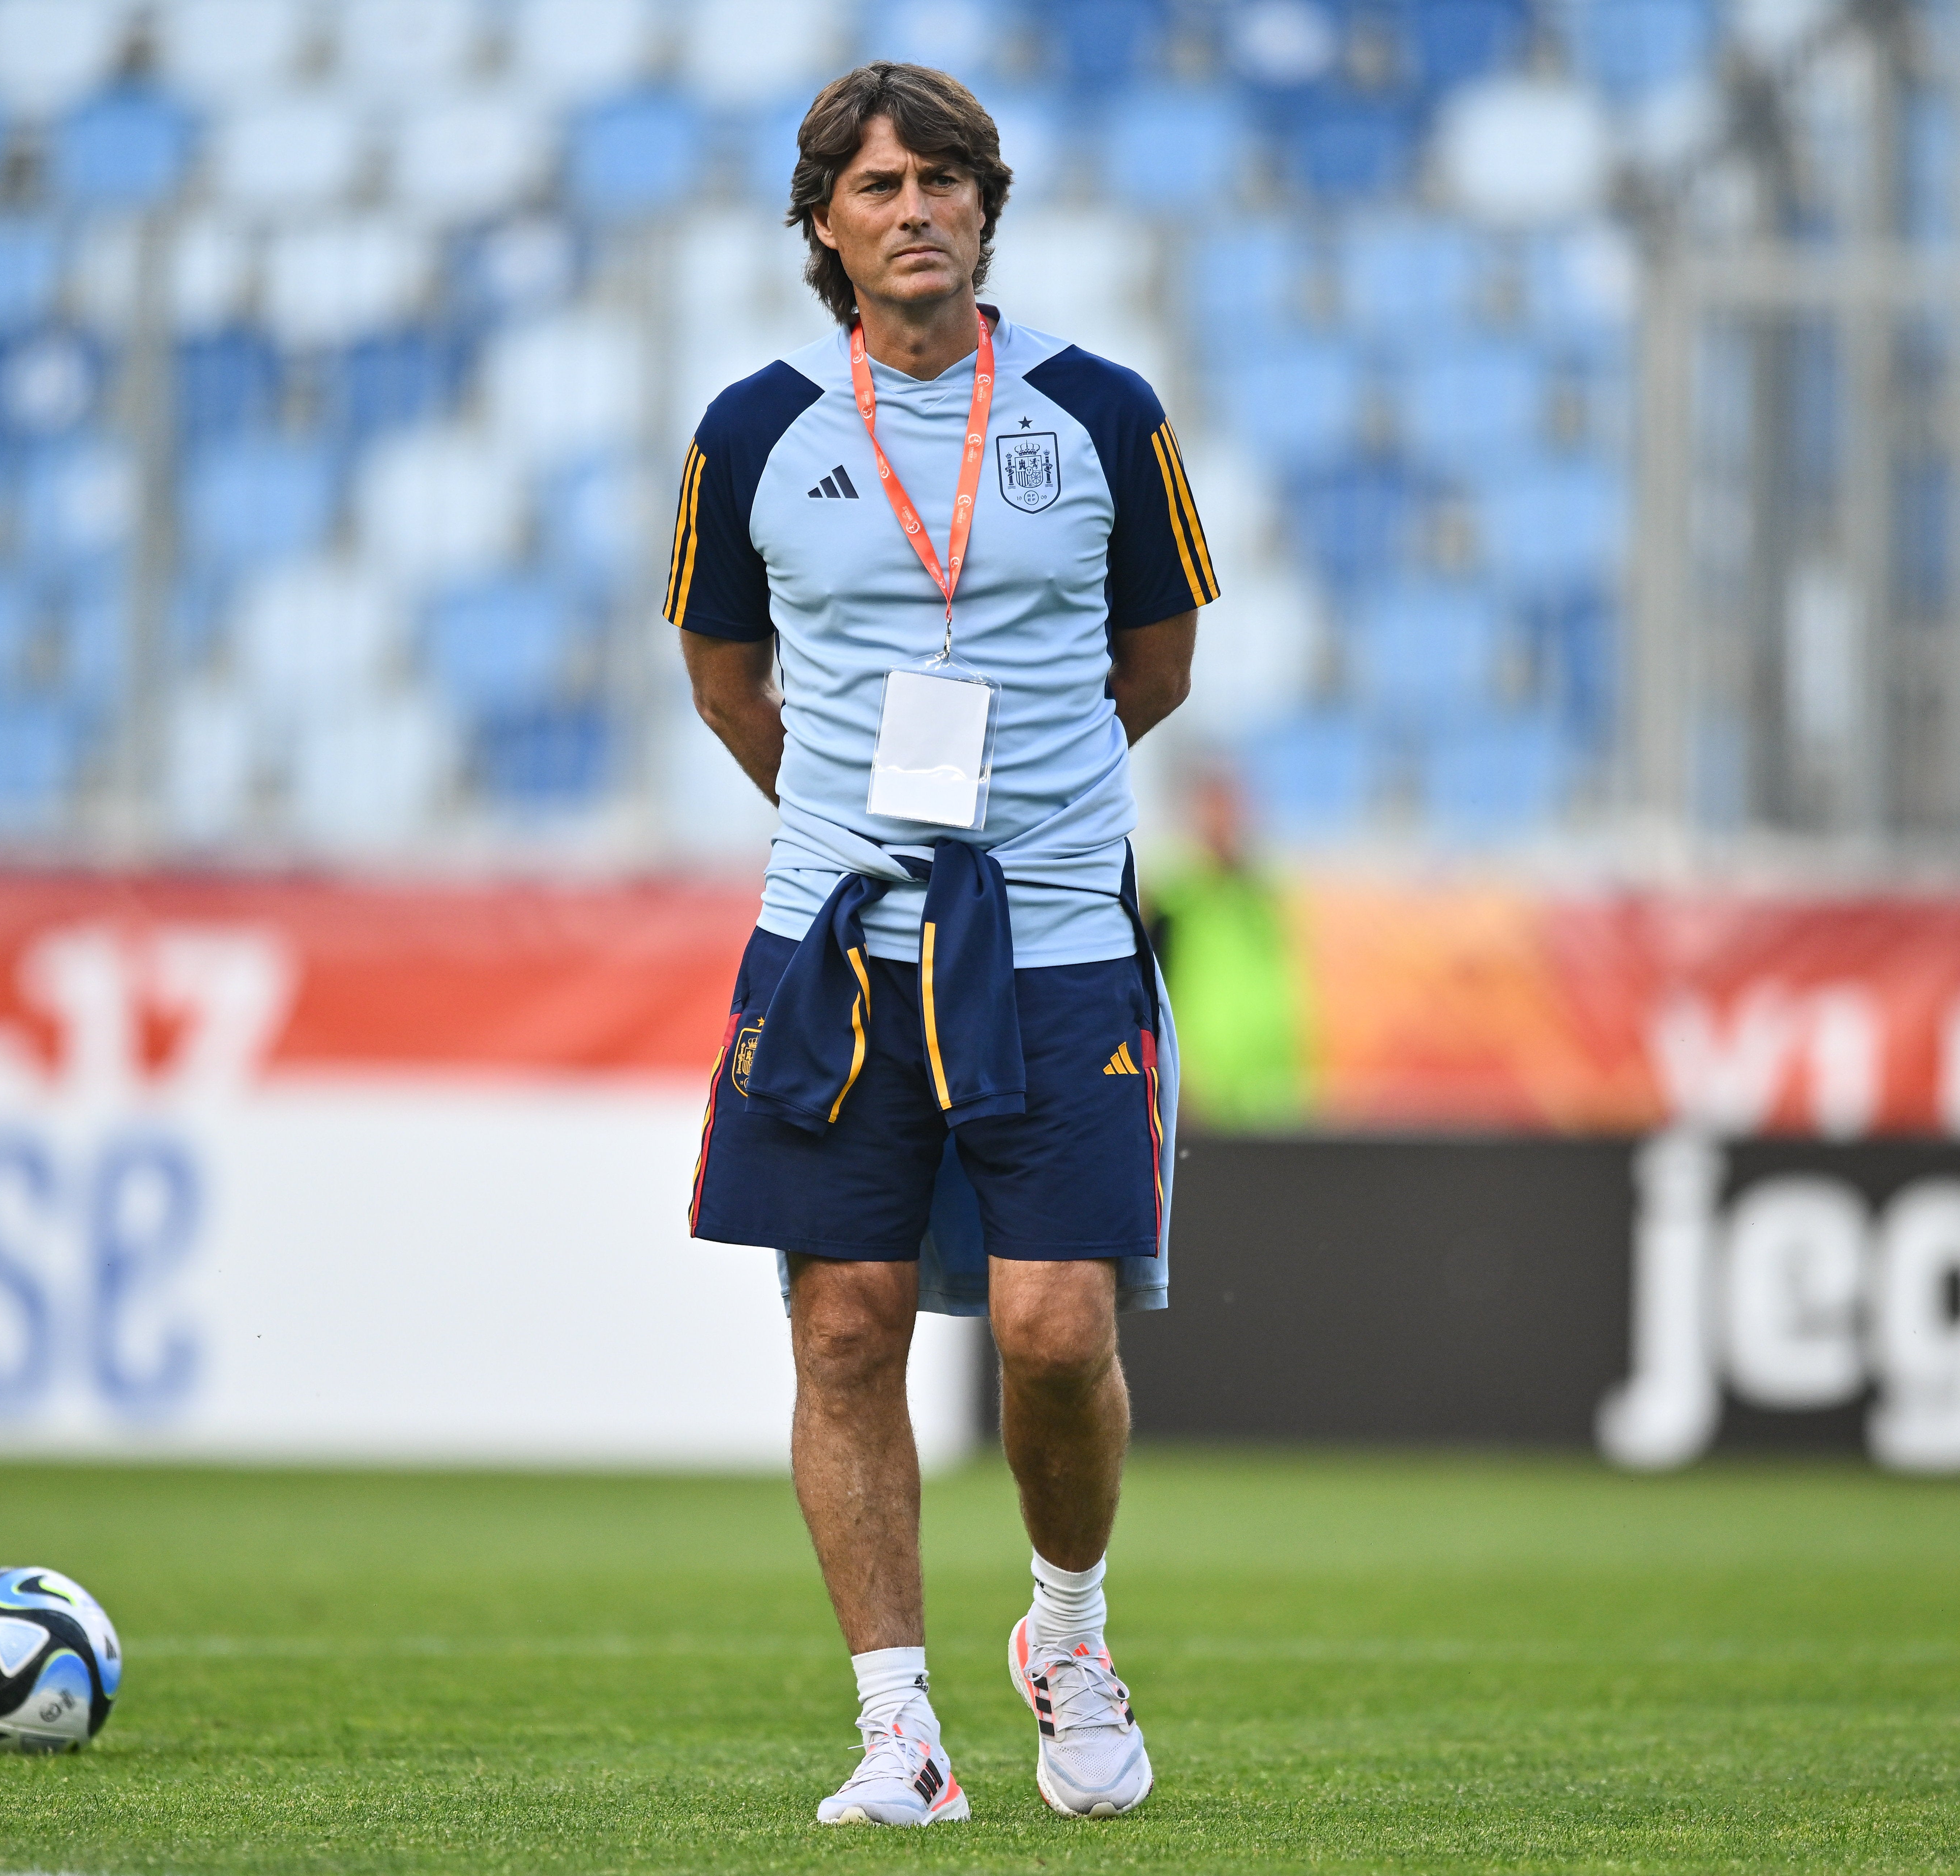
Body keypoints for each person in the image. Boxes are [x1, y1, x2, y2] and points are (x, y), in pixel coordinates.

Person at [667, 62, 1214, 1827]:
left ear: (986, 207)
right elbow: (725, 682)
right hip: (836, 946)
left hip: (1051, 940)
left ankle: (1067, 1631)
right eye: (877, 185)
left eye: (943, 180)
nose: (914, 209)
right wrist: (849, 825)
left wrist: (1024, 814)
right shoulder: (750, 431)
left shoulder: (1103, 412)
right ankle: (895, 1728)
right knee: (845, 1326)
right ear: (823, 225)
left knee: (1053, 1329)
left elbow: (1156, 665)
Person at [1148, 762, 1310, 1130]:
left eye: (1230, 808)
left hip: (1269, 1092)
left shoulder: (1262, 897)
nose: (1223, 821)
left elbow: (1284, 990)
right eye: (1213, 808)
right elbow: (1152, 993)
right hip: (1199, 1092)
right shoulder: (1174, 900)